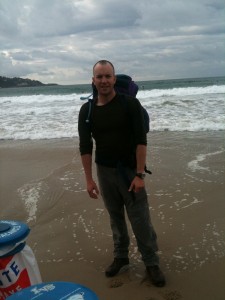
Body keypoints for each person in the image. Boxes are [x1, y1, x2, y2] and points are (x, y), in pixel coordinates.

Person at [78, 60, 166, 287]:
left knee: (140, 219)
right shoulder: (86, 110)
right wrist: (89, 180)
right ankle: (121, 257)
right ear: (93, 80)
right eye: (100, 77)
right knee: (115, 217)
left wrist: (139, 175)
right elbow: (85, 146)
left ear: (115, 79)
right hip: (104, 171)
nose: (104, 80)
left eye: (108, 76)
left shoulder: (129, 105)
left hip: (129, 171)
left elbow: (140, 140)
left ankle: (151, 262)